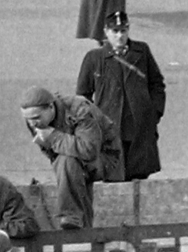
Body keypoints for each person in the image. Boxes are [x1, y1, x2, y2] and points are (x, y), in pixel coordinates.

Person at [75, 10, 166, 180]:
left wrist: (154, 114)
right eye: (115, 31)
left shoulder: (142, 52)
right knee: (113, 178)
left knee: (140, 179)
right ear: (106, 32)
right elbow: (82, 95)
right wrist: (92, 123)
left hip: (139, 129)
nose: (119, 36)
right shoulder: (94, 58)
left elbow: (157, 84)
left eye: (123, 30)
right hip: (109, 129)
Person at [20, 85, 123, 230]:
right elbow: (50, 153)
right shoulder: (34, 119)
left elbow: (89, 150)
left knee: (67, 160)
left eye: (36, 118)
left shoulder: (79, 109)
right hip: (72, 163)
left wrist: (54, 137)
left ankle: (71, 216)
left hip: (104, 157)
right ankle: (80, 224)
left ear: (51, 107)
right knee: (67, 163)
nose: (32, 123)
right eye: (27, 119)